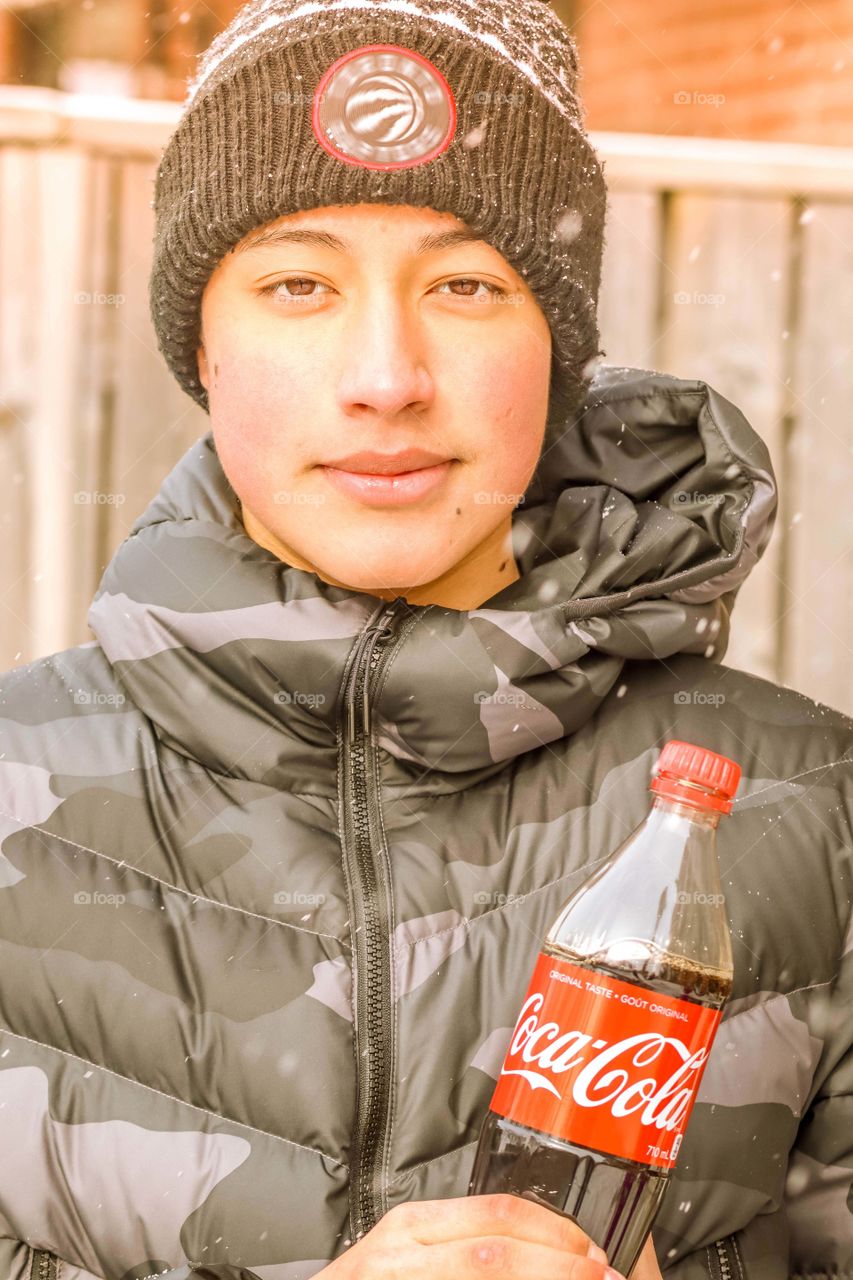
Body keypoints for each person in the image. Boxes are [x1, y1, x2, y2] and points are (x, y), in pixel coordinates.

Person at [0, 1, 850, 1279]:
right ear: (202, 348)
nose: (386, 374)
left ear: (554, 345)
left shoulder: (820, 821)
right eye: (298, 284)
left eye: (465, 284)